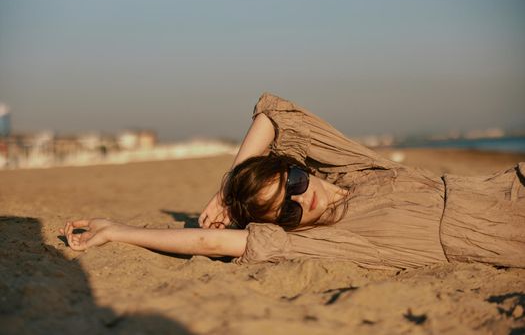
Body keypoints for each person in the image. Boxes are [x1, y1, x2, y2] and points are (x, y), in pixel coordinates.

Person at [61, 93, 525, 270]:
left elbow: (273, 114)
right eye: (286, 211)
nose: (304, 201)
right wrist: (118, 230)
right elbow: (217, 245)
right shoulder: (334, 238)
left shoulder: (355, 168)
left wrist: (226, 190)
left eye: (297, 181)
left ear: (297, 167)